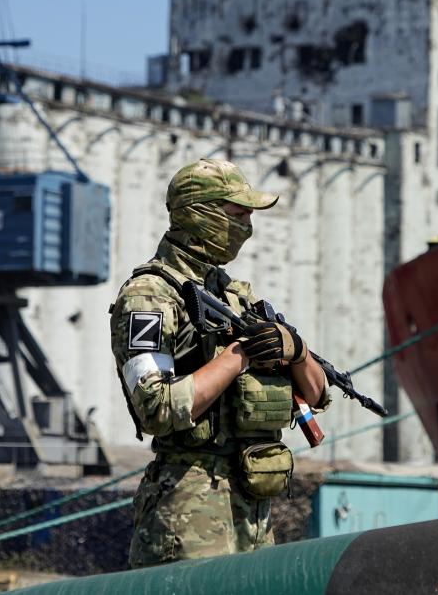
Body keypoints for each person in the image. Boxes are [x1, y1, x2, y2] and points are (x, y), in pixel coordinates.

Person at [109, 158, 329, 568]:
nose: (246, 226)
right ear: (199, 214)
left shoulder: (235, 297)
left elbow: (316, 395)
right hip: (188, 513)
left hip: (253, 508)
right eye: (237, 214)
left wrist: (295, 350)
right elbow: (156, 408)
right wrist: (239, 355)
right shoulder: (149, 297)